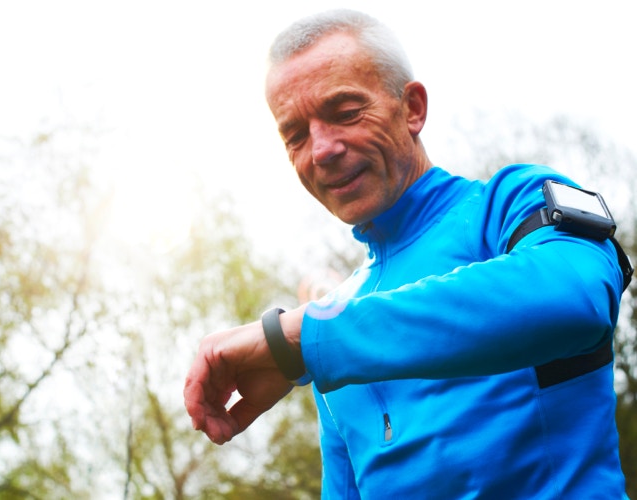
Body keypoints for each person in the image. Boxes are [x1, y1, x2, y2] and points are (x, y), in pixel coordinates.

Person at [183, 8, 630, 498]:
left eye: (345, 112)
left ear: (412, 108)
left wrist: (300, 338)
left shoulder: (510, 204)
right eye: (295, 135)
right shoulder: (327, 330)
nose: (321, 150)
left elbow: (573, 299)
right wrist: (308, 342)